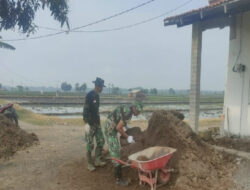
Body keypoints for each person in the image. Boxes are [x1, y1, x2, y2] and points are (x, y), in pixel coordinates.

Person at [104, 101, 143, 186]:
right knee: (116, 153)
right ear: (134, 108)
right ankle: (119, 180)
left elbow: (121, 120)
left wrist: (126, 127)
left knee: (116, 150)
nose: (138, 113)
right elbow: (118, 127)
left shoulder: (128, 108)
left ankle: (117, 168)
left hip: (110, 125)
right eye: (138, 111)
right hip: (110, 130)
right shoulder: (128, 113)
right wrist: (127, 137)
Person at [83, 77, 106, 171]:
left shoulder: (97, 96)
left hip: (97, 123)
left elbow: (96, 111)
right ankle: (89, 164)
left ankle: (97, 160)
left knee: (101, 141)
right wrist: (86, 123)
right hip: (90, 123)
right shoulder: (89, 95)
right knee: (90, 144)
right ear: (98, 86)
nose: (102, 89)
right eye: (101, 87)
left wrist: (98, 123)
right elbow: (85, 110)